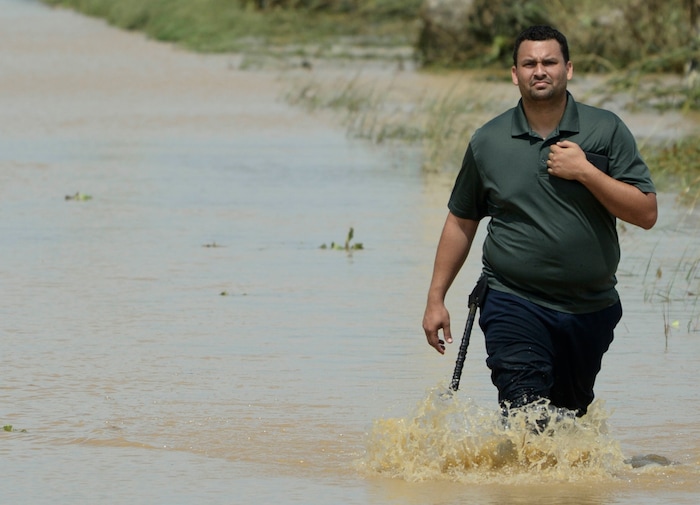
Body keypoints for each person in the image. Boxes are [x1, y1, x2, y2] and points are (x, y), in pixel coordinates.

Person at [422, 25, 657, 418]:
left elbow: (645, 213)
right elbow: (462, 221)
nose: (540, 70)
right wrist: (435, 298)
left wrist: (586, 172)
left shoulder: (606, 129)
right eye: (529, 63)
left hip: (590, 308)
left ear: (568, 68)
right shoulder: (488, 140)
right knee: (525, 411)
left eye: (549, 62)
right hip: (513, 298)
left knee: (566, 424)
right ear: (515, 73)